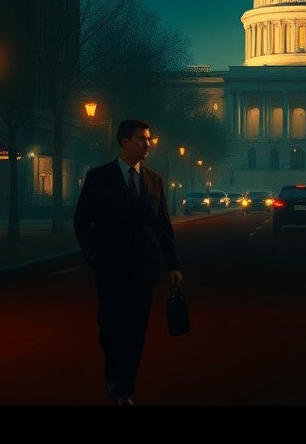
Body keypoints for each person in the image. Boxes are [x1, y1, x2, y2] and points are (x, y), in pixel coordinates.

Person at [73, 118, 182, 406]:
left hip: (145, 267)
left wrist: (173, 265)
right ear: (124, 141)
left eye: (149, 139)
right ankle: (114, 374)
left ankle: (124, 388)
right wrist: (94, 255)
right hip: (110, 266)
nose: (148, 144)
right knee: (109, 325)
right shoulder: (99, 177)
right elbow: (82, 221)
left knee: (136, 330)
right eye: (142, 139)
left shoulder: (155, 179)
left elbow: (163, 225)